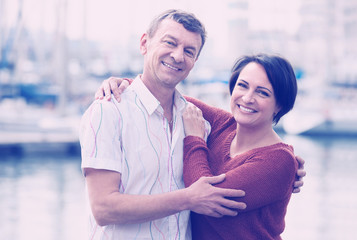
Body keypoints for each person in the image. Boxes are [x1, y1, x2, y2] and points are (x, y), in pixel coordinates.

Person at [79, 9, 247, 240]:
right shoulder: (107, 111)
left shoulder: (197, 122)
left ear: (194, 62)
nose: (178, 56)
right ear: (144, 43)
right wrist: (188, 198)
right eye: (170, 42)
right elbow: (103, 208)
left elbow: (248, 148)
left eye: (189, 51)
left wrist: (287, 164)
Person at [182, 54, 299, 239]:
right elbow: (168, 96)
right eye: (242, 85)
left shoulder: (279, 161)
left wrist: (194, 138)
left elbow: (204, 199)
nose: (247, 98)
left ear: (279, 105)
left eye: (262, 92)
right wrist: (122, 83)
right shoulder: (223, 123)